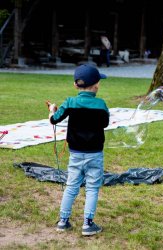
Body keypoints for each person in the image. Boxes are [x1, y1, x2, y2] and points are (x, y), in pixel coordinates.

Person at [48, 64, 110, 236]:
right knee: (92, 188)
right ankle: (88, 224)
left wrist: (52, 111)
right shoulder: (101, 105)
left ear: (76, 85)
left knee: (71, 186)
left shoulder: (70, 102)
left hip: (75, 154)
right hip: (95, 154)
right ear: (97, 85)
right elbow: (105, 123)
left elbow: (54, 119)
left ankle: (63, 221)